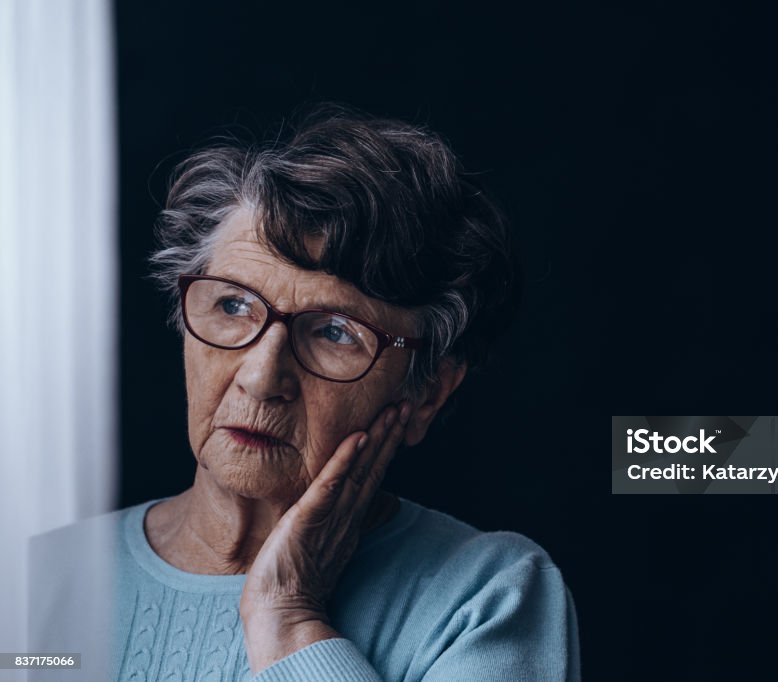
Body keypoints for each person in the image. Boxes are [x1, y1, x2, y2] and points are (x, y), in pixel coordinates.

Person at [29, 106, 580, 681]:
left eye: (335, 332)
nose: (262, 377)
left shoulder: (486, 599)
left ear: (426, 395)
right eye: (233, 305)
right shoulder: (34, 580)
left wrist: (288, 620)